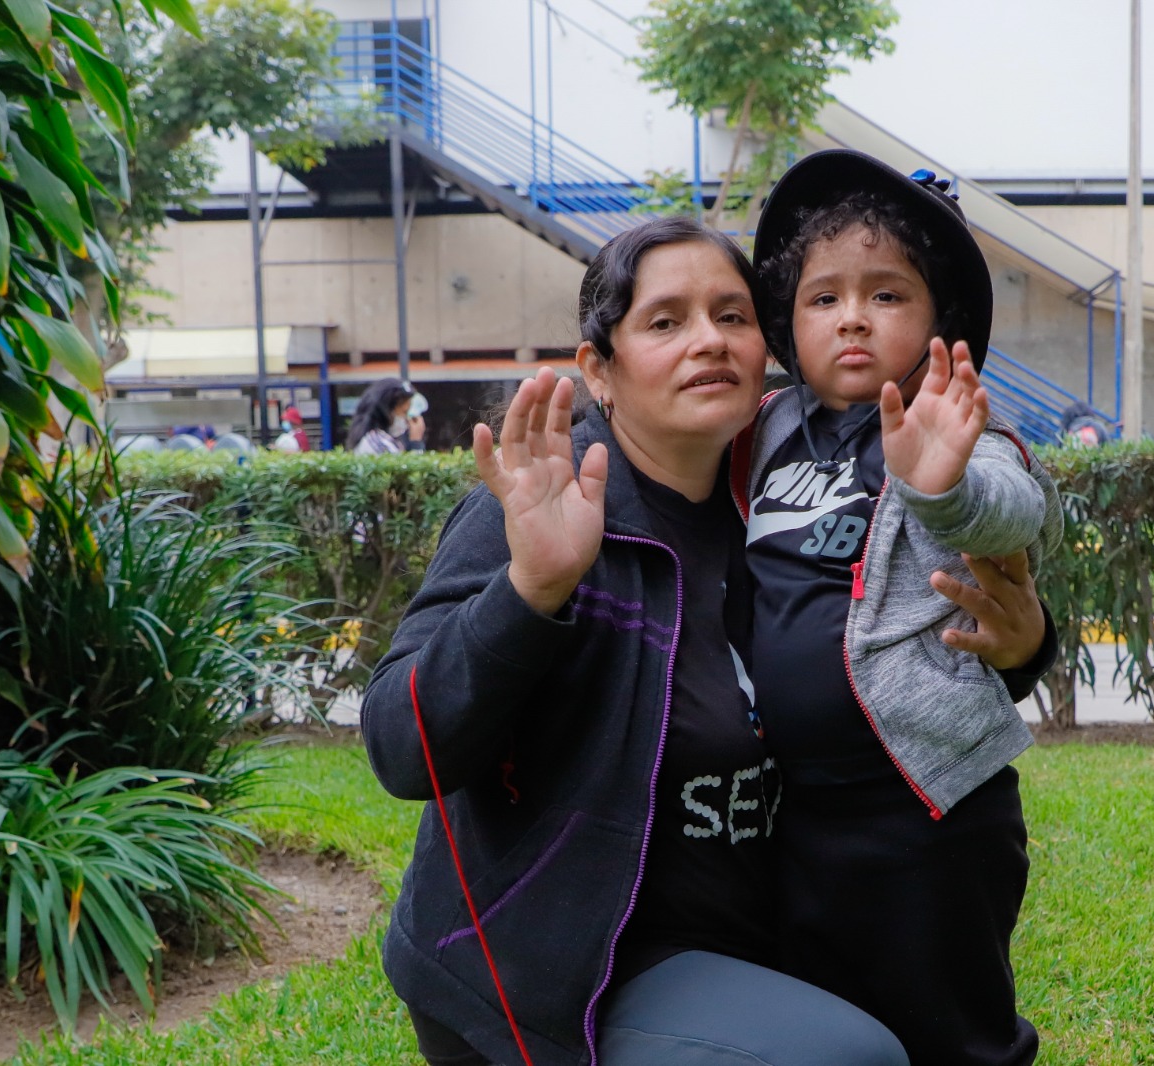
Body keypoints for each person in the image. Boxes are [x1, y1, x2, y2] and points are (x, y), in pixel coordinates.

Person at [360, 217, 1050, 1066]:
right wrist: (529, 591)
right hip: (571, 969)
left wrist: (1024, 651)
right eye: (663, 321)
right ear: (598, 371)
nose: (708, 342)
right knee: (850, 1057)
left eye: (732, 316)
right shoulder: (553, 506)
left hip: (753, 937)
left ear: (768, 350)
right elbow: (402, 747)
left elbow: (876, 655)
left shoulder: (772, 507)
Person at [739, 149, 1060, 1066]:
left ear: (937, 319)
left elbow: (1018, 504)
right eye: (822, 297)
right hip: (794, 817)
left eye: (886, 295)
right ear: (787, 322)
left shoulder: (954, 425)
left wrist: (942, 488)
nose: (852, 318)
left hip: (927, 815)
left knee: (949, 1030)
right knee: (828, 1027)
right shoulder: (765, 431)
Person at [348, 378, 427, 453]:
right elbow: (408, 467)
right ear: (387, 410)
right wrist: (416, 442)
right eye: (404, 412)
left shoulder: (377, 439)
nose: (407, 419)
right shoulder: (377, 443)